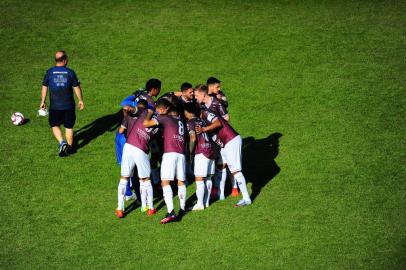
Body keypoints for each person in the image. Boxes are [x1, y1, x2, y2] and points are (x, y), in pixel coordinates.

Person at [194, 86, 251, 207]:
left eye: (197, 95)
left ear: (203, 94)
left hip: (230, 140)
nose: (195, 97)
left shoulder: (205, 113)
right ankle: (223, 194)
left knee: (236, 171)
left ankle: (246, 198)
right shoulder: (204, 112)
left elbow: (219, 122)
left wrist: (204, 129)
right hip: (225, 143)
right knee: (224, 166)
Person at [144, 99, 187, 224]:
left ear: (164, 109)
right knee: (181, 181)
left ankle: (171, 211)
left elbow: (146, 124)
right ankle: (183, 208)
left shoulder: (164, 118)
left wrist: (149, 112)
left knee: (165, 182)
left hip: (170, 153)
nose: (157, 111)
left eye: (158, 109)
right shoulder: (180, 120)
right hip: (181, 154)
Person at [115, 101, 159, 218]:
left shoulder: (143, 113)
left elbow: (127, 107)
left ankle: (120, 209)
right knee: (145, 179)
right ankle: (150, 207)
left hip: (128, 146)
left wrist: (126, 112)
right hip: (141, 149)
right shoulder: (160, 122)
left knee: (124, 178)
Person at [40, 50, 84, 156]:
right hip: (69, 106)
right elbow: (76, 87)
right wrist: (81, 100)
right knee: (69, 127)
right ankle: (69, 148)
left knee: (54, 125)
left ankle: (61, 142)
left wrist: (43, 101)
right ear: (64, 60)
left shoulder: (49, 72)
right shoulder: (70, 72)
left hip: (55, 106)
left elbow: (44, 87)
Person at [184, 103, 216, 210]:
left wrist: (190, 151)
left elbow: (193, 138)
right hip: (210, 150)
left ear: (188, 112)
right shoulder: (202, 120)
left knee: (199, 178)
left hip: (201, 152)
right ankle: (206, 202)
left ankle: (200, 204)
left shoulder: (190, 122)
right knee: (208, 177)